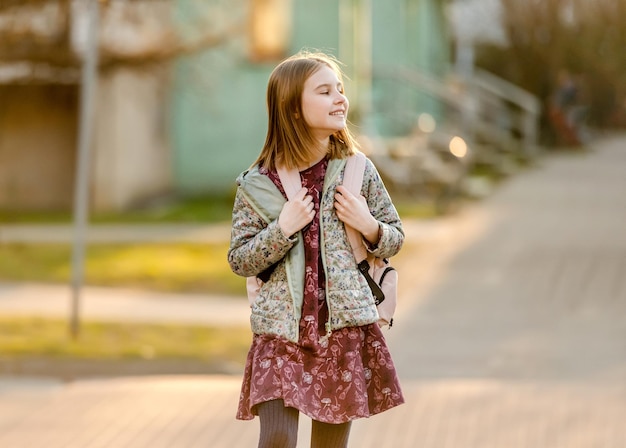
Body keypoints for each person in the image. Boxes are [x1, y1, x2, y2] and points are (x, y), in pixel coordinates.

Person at [227, 51, 404, 448]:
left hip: (342, 332)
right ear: (292, 109)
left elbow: (395, 237)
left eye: (340, 89)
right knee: (276, 438)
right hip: (281, 334)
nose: (340, 98)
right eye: (325, 91)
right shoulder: (258, 184)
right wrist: (282, 228)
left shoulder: (358, 170)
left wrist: (369, 225)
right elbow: (239, 259)